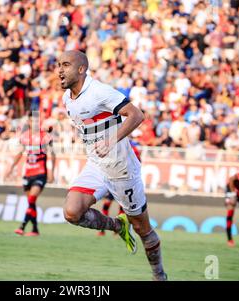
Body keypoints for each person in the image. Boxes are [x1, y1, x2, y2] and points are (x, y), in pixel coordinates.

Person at [58, 50, 166, 281]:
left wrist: (111, 140)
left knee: (143, 230)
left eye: (65, 65)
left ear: (81, 69)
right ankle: (117, 226)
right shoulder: (67, 98)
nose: (59, 70)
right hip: (97, 166)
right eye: (58, 65)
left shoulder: (99, 92)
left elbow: (136, 115)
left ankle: (160, 276)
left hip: (122, 170)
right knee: (72, 212)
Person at [5, 113, 56, 236]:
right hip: (28, 173)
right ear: (29, 122)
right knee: (31, 203)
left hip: (40, 173)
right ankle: (35, 230)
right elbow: (20, 153)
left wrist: (51, 172)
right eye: (32, 121)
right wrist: (11, 167)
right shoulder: (24, 136)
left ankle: (22, 227)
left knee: (32, 199)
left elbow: (52, 155)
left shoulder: (46, 137)